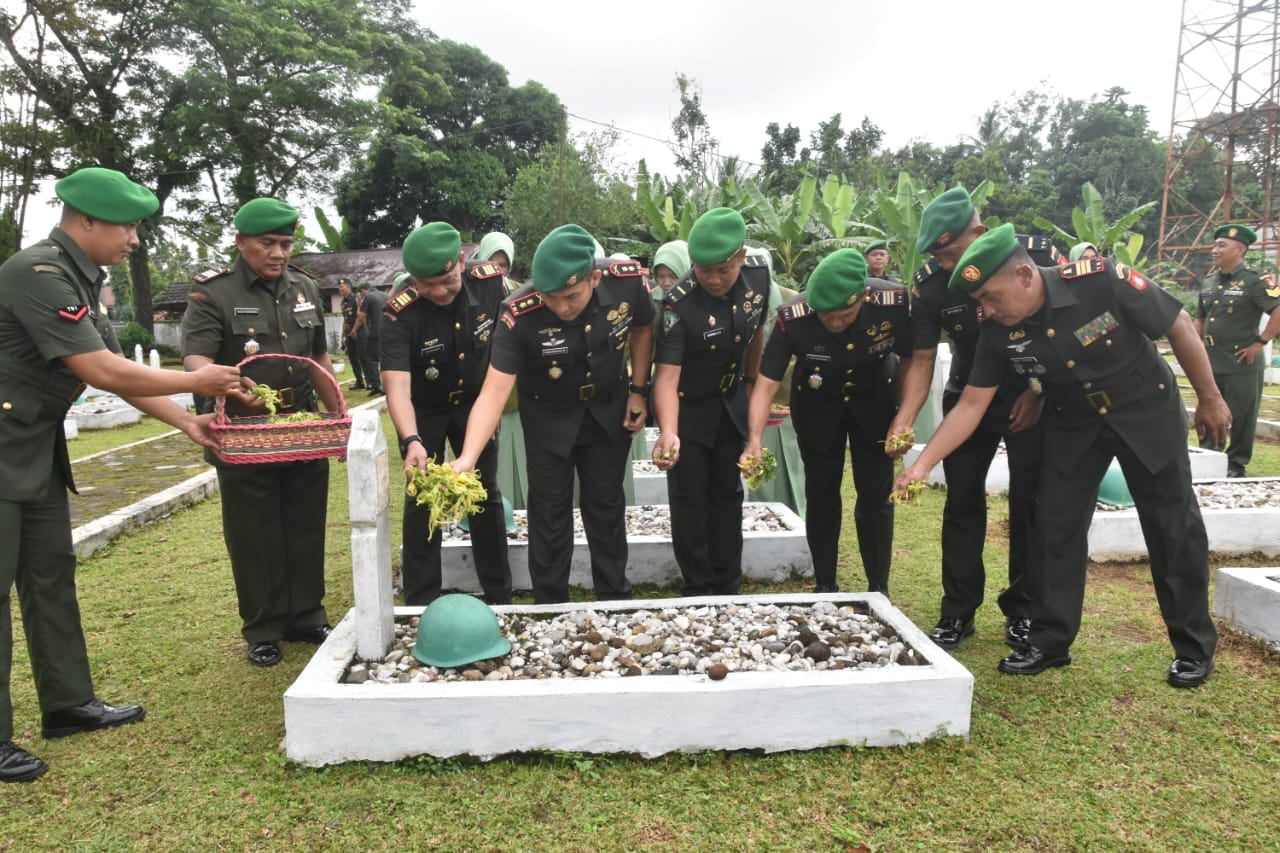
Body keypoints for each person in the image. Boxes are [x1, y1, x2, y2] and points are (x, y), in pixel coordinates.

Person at [896, 224, 1227, 688]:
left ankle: (1192, 646)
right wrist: (922, 464)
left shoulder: (1100, 279)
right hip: (1075, 422)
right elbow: (971, 404)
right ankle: (1050, 642)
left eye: (990, 298)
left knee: (1172, 524)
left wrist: (1209, 398)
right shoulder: (996, 332)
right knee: (1053, 524)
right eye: (979, 303)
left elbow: (1178, 324)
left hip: (1144, 410)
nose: (984, 311)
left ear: (1026, 276)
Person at [0, 167, 242, 783]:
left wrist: (187, 424)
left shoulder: (83, 278)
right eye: (127, 225)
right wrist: (196, 381)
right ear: (85, 221)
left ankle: (67, 703)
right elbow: (103, 370)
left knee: (50, 577)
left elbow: (105, 371)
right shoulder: (36, 272)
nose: (135, 238)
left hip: (33, 451)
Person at [451, 224, 653, 603]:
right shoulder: (518, 312)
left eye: (571, 297)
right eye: (550, 298)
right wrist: (467, 457)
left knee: (607, 507)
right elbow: (494, 391)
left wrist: (639, 390)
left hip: (609, 412)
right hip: (548, 420)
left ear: (594, 277)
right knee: (548, 515)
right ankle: (550, 601)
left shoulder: (627, 282)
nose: (560, 307)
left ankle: (614, 595)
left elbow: (643, 328)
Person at [181, 197, 341, 668]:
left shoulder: (305, 287)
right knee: (255, 532)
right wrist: (226, 387)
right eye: (267, 243)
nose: (278, 253)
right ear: (241, 241)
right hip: (245, 429)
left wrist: (336, 412)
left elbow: (318, 360)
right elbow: (195, 359)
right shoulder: (214, 293)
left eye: (286, 243)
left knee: (305, 523)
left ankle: (307, 617)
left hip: (301, 426)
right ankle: (264, 627)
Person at [886, 187, 1045, 651]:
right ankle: (957, 611)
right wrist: (905, 417)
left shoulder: (1026, 257)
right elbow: (919, 358)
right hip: (968, 397)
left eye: (953, 254)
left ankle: (1024, 610)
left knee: (1030, 505)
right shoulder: (931, 283)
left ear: (979, 232)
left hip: (1029, 394)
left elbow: (1054, 333)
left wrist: (1039, 392)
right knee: (961, 504)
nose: (950, 267)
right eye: (941, 257)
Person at [742, 248, 910, 594]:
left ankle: (879, 586)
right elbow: (767, 382)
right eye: (826, 316)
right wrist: (755, 440)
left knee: (876, 495)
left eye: (844, 315)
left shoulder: (891, 302)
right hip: (817, 406)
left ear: (863, 296)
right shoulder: (794, 315)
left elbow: (916, 358)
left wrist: (904, 417)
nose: (834, 323)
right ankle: (825, 582)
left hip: (876, 401)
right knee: (821, 495)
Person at [382, 222, 512, 605]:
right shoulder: (398, 310)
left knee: (484, 493)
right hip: (425, 410)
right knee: (421, 497)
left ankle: (498, 593)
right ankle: (421, 599)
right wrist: (411, 440)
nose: (438, 292)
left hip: (476, 404)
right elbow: (396, 386)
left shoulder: (491, 283)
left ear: (460, 260)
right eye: (426, 285)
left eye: (446, 280)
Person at [652, 207, 769, 596]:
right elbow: (666, 378)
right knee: (690, 499)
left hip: (730, 403)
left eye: (723, 269)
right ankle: (698, 585)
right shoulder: (678, 305)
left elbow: (755, 336)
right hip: (688, 409)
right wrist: (669, 432)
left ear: (740, 256)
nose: (715, 280)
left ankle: (728, 581)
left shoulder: (758, 276)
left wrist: (750, 384)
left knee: (727, 493)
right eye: (705, 271)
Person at [1195, 224, 1280, 478]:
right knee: (1209, 409)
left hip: (1240, 363)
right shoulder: (1209, 281)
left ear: (1240, 249)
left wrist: (1260, 343)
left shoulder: (1255, 280)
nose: (1215, 250)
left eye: (1222, 245)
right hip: (1210, 362)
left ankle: (1236, 464)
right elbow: (1201, 318)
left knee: (1242, 416)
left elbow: (1277, 310)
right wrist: (1192, 344)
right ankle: (1209, 456)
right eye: (1215, 245)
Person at [351, 281, 387, 396]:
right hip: (389, 331)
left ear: (362, 291)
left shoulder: (368, 297)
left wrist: (354, 329)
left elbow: (361, 317)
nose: (360, 297)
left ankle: (376, 385)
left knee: (371, 358)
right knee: (385, 358)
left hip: (375, 332)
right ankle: (387, 385)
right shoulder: (385, 295)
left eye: (360, 295)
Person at [338, 277, 367, 390]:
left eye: (341, 286)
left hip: (360, 331)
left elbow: (361, 316)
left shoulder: (356, 298)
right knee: (352, 358)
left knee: (363, 357)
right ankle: (359, 382)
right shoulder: (343, 302)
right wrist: (343, 335)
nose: (339, 288)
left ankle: (371, 382)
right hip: (349, 333)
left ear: (348, 287)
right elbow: (345, 319)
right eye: (339, 287)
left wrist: (355, 329)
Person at [650, 240, 690, 304]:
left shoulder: (702, 301)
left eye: (673, 276)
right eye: (661, 276)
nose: (666, 283)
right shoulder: (649, 300)